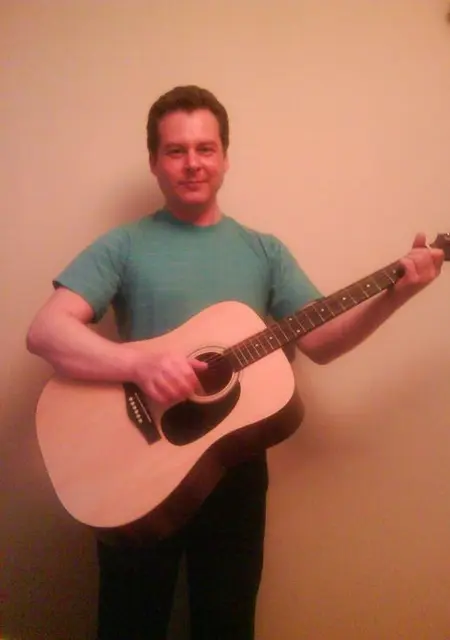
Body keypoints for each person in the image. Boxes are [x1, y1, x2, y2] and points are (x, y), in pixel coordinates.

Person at [26, 85, 444, 640]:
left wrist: (397, 294)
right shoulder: (123, 245)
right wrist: (139, 365)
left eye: (206, 148)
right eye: (176, 150)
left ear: (225, 157)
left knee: (227, 625)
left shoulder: (264, 251)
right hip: (131, 470)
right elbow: (46, 331)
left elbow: (321, 343)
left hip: (234, 469)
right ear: (154, 161)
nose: (193, 163)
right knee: (129, 624)